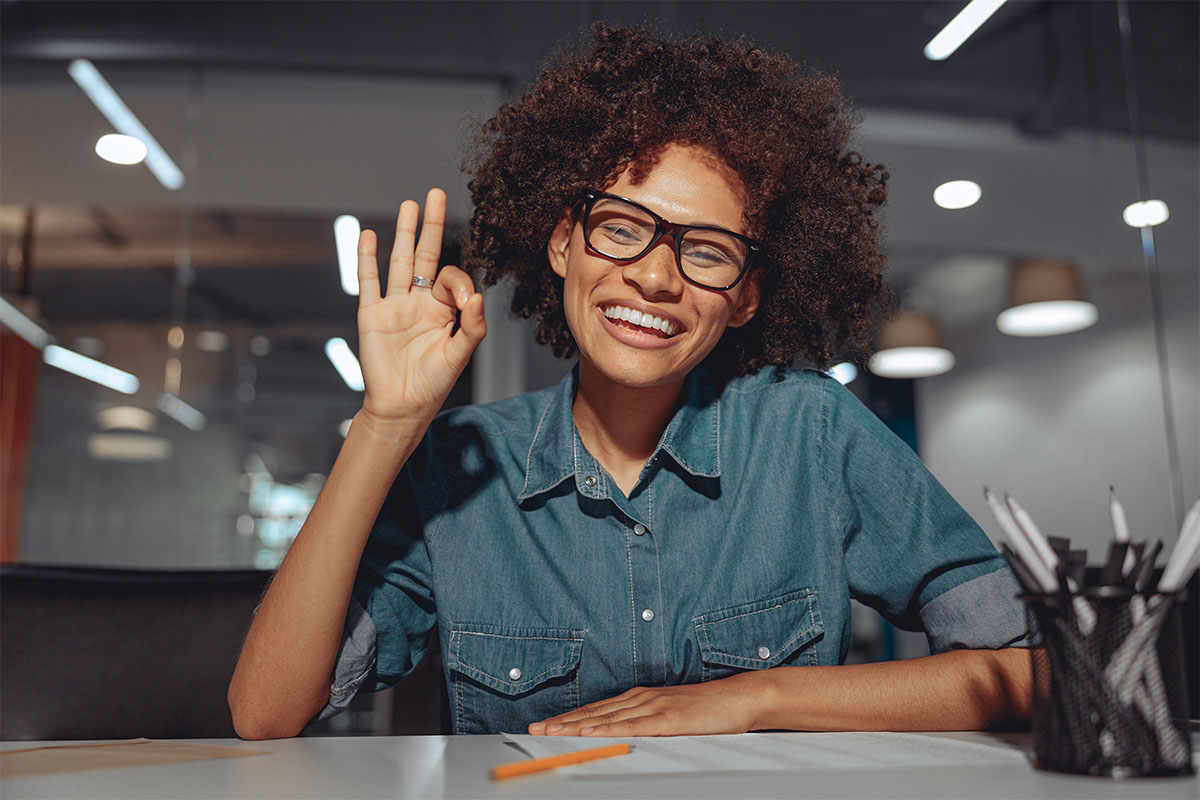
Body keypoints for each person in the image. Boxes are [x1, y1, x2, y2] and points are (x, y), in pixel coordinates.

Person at [228, 23, 1031, 740]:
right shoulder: (459, 462)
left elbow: (1031, 669)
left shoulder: (810, 430)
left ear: (745, 296)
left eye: (706, 250)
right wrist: (385, 423)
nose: (653, 277)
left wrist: (757, 697)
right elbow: (266, 713)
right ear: (561, 244)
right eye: (620, 227)